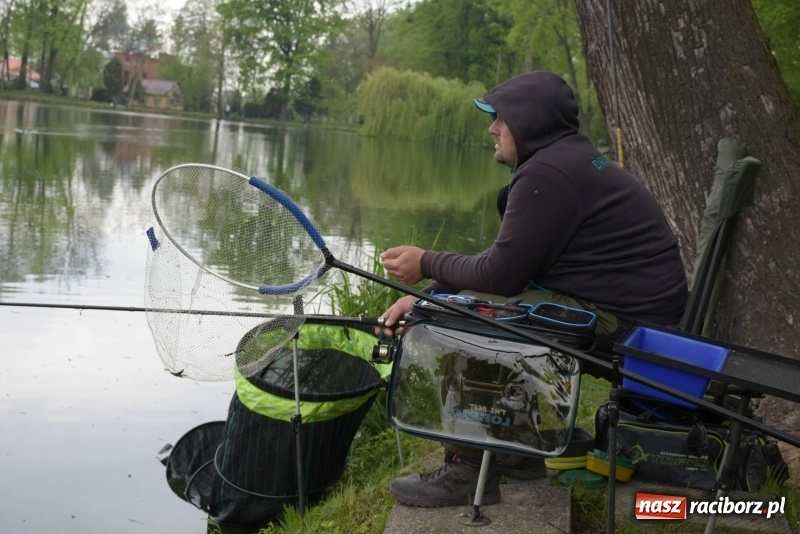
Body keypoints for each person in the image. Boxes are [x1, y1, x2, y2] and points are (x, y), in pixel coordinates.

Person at [378, 71, 688, 508]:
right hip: (631, 312)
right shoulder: (566, 161)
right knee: (462, 304)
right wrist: (429, 292)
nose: (492, 128)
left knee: (472, 319)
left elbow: (501, 277)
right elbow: (509, 262)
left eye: (499, 119)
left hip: (629, 327)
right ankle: (513, 448)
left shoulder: (550, 174)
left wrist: (426, 263)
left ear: (528, 122)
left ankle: (467, 471)